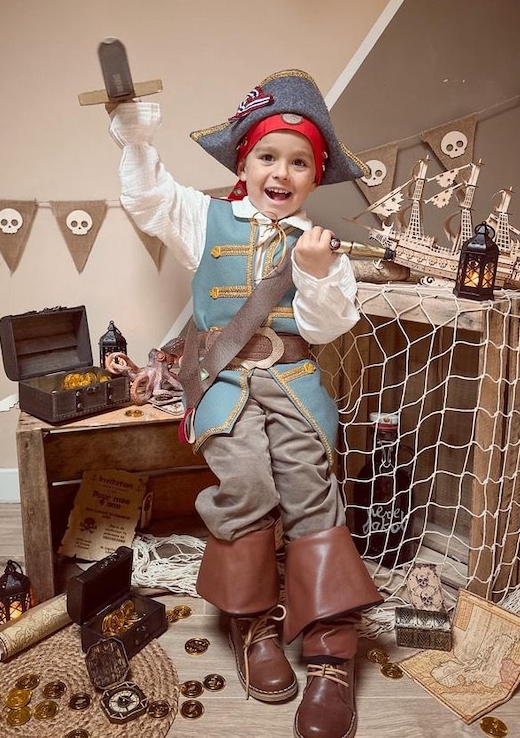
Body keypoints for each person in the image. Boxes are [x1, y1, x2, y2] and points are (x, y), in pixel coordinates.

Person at [108, 69, 383, 738]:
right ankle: (253, 622)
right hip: (225, 385)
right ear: (244, 162)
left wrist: (316, 278)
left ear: (315, 177)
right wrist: (138, 140)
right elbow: (147, 199)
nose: (281, 172)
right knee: (251, 481)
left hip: (292, 382)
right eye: (268, 156)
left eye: (299, 162)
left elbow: (323, 330)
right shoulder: (205, 219)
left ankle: (329, 651)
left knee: (312, 490)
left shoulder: (321, 247)